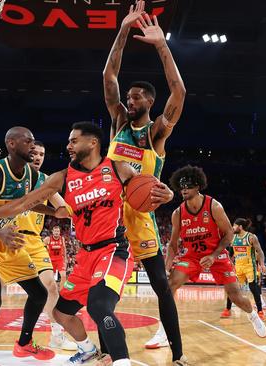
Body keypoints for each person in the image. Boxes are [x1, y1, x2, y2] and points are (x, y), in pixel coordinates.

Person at [0, 122, 176, 366]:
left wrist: (166, 194)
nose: (68, 146)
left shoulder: (118, 168)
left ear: (92, 143)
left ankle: (121, 361)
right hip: (85, 256)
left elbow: (150, 189)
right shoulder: (61, 178)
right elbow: (24, 203)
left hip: (113, 249)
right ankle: (88, 350)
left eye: (74, 141)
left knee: (98, 306)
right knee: (60, 312)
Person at [103, 2, 186, 359]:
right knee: (104, 293)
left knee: (162, 288)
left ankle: (178, 352)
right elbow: (109, 77)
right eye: (129, 96)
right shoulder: (119, 122)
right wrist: (123, 30)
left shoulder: (156, 133)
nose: (128, 99)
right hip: (109, 217)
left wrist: (162, 46)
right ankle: (108, 350)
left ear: (150, 101)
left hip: (142, 218)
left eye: (135, 96)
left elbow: (179, 93)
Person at [0, 139, 76, 355]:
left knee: (48, 287)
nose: (37, 157)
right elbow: (14, 206)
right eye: (34, 152)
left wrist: (62, 210)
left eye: (41, 154)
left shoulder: (43, 180)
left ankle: (54, 333)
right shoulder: (3, 175)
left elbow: (59, 206)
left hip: (29, 241)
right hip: (1, 237)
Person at [164, 165, 266, 339]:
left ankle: (252, 314)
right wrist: (167, 267)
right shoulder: (178, 213)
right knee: (169, 287)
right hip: (192, 256)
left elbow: (228, 234)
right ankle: (164, 331)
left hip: (216, 254)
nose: (184, 190)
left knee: (235, 296)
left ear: (197, 186)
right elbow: (173, 245)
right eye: (181, 187)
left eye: (187, 186)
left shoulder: (214, 206)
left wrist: (213, 255)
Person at [221, 218, 266, 320]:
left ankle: (260, 311)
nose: (233, 227)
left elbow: (260, 251)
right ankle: (227, 310)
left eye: (234, 225)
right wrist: (228, 263)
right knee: (232, 288)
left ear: (240, 227)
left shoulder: (251, 237)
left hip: (250, 266)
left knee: (253, 288)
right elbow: (230, 253)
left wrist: (262, 264)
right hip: (238, 266)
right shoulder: (233, 238)